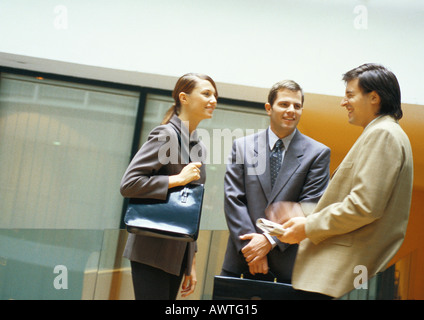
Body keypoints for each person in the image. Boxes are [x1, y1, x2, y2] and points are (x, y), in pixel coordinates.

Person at [278, 63, 414, 298]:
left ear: (374, 97)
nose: (343, 102)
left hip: (341, 278)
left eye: (350, 95)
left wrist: (308, 226)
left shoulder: (383, 134)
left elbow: (364, 207)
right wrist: (306, 213)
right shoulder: (382, 132)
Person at [220, 80, 331, 285]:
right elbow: (233, 199)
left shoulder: (318, 154)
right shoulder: (242, 147)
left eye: (297, 106)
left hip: (287, 266)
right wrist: (253, 249)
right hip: (241, 258)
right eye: (284, 104)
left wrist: (269, 241)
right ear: (269, 108)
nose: (291, 110)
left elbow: (310, 206)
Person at [120, 73, 218, 300]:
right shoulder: (166, 135)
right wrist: (178, 179)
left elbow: (192, 207)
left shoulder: (197, 145)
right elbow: (129, 184)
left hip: (176, 254)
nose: (213, 100)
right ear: (183, 97)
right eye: (206, 93)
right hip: (151, 249)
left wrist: (190, 262)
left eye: (215, 95)